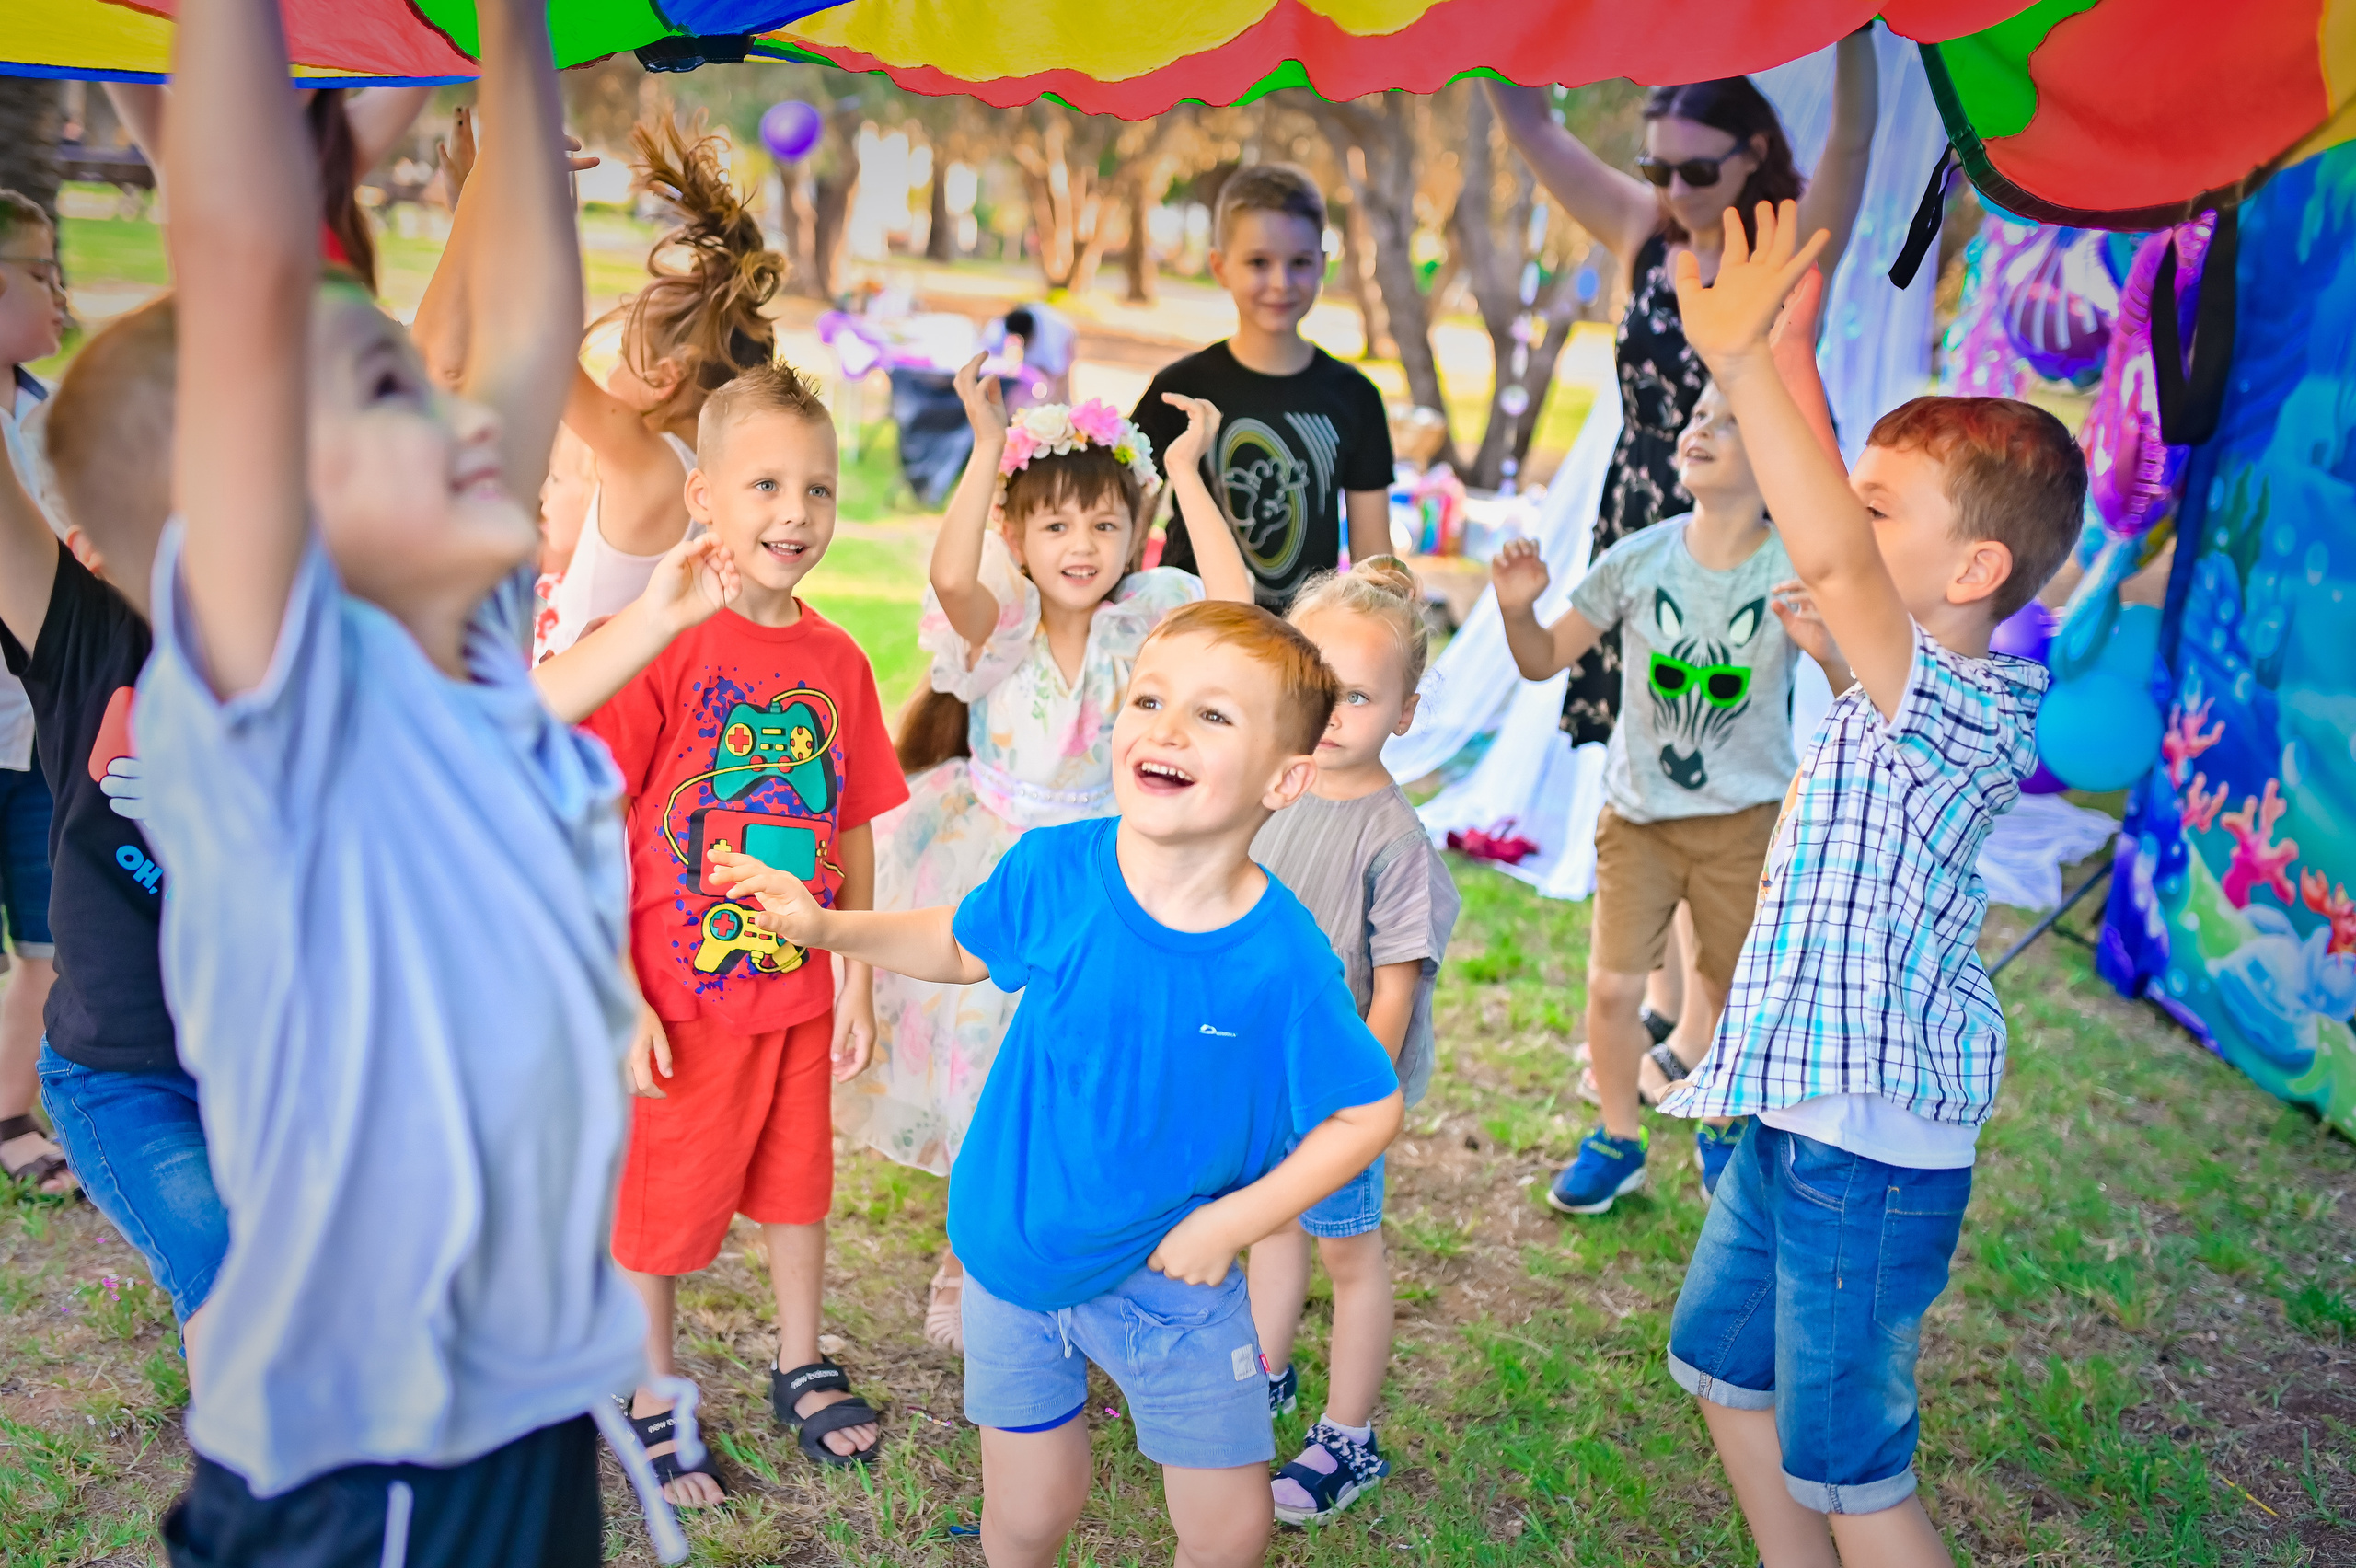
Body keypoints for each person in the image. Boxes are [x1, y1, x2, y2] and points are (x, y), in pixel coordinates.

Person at [136, 0, 734, 1556]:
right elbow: (248, 267)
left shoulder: (471, 686)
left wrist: (513, 17)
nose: (473, 408)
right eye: (395, 396)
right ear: (280, 494)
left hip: (524, 1423)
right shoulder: (270, 726)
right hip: (375, 1469)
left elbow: (532, 314)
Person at [714, 598, 1406, 1568]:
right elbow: (959, 943)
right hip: (1016, 1251)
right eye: (1149, 699)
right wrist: (828, 929)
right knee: (1032, 1513)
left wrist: (1231, 1224)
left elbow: (1366, 1107)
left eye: (1213, 716)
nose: (1165, 727)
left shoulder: (1281, 958)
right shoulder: (1057, 869)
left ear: (1286, 777)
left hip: (1173, 1279)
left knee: (1230, 1529)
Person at [1659, 201, 2085, 1566]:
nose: (1837, 518)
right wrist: (1787, 344)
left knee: (1854, 1471)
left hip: (1873, 1151)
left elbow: (1836, 552)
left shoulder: (1965, 704)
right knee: (1724, 1372)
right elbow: (1846, 544)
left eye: (1877, 508)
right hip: (1801, 1109)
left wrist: (1740, 368)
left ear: (1973, 571)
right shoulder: (1902, 686)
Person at [843, 361, 1253, 1350]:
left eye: (1104, 525)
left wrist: (1189, 471)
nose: (1081, 546)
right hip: (990, 866)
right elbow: (949, 574)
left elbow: (1236, 605)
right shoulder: (999, 627)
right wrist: (988, 445)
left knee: (1084, 1065)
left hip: (1104, 872)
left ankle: (1076, 1247)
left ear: (1136, 536)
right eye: (1056, 525)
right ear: (1017, 537)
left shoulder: (1144, 627)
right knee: (985, 1072)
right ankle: (964, 1256)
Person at [1489, 43, 1876, 1052]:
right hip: (1640, 520)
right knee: (1641, 739)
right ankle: (1661, 1004)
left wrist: (1856, 31)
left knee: (1726, 732)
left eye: (1696, 170)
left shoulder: (1790, 244)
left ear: (1754, 156)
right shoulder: (1640, 230)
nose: (1673, 189)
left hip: (1748, 527)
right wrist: (1482, 30)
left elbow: (1855, 136)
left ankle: (1702, 1012)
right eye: (1658, 167)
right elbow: (1531, 124)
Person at [582, 360, 908, 1497]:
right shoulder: (657, 641)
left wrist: (856, 970)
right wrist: (619, 992)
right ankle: (646, 1390)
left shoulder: (838, 660)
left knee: (795, 1184)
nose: (795, 513)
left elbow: (851, 817)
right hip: (677, 994)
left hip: (799, 987)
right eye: (765, 484)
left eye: (818, 490)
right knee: (661, 1201)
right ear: (704, 499)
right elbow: (590, 822)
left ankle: (801, 1359)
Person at [1491, 369, 1853, 1215]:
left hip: (1741, 823)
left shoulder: (1795, 571)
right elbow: (1544, 658)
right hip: (1640, 817)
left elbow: (1855, 696)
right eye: (1699, 414)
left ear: (1780, 458)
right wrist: (1516, 610)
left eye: (1732, 421)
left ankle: (1722, 1124)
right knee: (1614, 989)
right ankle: (1618, 1138)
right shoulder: (1640, 557)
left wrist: (1827, 650)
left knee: (1729, 992)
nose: (1701, 428)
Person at [1242, 557, 1460, 1525]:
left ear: (1404, 712)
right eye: (1318, 687)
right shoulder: (1274, 794)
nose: (1333, 713)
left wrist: (1353, 1101)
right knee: (1268, 1225)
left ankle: (1348, 1438)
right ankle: (1264, 1377)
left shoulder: (1393, 839)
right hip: (1261, 1073)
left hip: (1340, 1093)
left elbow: (1396, 987)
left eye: (1360, 696)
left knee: (1350, 1254)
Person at [540, 114, 783, 660]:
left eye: (623, 360)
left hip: (585, 717)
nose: (608, 376)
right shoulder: (716, 479)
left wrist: (509, 195)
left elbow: (541, 342)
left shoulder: (650, 463)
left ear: (664, 380)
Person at [1130, 165, 1393, 611]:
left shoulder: (1355, 397)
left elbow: (1374, 563)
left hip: (1301, 648)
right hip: (1194, 635)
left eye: (1300, 263)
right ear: (1220, 266)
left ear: (1322, 265)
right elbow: (1129, 527)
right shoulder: (1178, 389)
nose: (1280, 282)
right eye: (1258, 262)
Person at [105, 78, 433, 297]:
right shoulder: (189, 146)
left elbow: (433, 45)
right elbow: (109, 39)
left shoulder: (339, 149)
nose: (281, 58)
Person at [0, 190, 66, 1194]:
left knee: (46, 944)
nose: (60, 293)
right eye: (39, 273)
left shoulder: (54, 420)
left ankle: (10, 1118)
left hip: (35, 738)